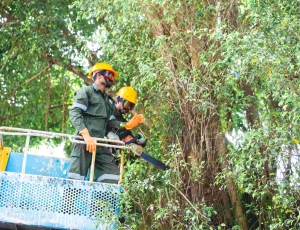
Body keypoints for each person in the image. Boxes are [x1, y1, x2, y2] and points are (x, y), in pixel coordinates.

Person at [67, 62, 122, 183]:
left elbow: (111, 124)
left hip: (99, 144)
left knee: (112, 176)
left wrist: (113, 135)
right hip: (84, 143)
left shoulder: (108, 101)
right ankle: (67, 202)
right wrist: (86, 137)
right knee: (75, 181)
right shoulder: (86, 92)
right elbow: (75, 113)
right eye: (108, 74)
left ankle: (101, 202)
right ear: (98, 75)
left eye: (112, 76)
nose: (111, 78)